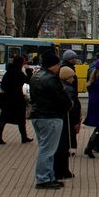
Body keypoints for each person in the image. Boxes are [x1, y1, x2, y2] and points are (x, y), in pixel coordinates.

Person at [28, 53, 72, 189]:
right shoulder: (51, 79)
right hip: (50, 116)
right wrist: (68, 104)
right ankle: (43, 179)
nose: (59, 68)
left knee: (45, 147)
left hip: (37, 115)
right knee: (48, 149)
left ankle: (49, 176)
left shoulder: (35, 76)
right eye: (57, 65)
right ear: (52, 65)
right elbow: (61, 98)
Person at [54, 67, 82, 181]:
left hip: (63, 120)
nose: (73, 80)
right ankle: (62, 171)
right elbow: (72, 107)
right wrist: (76, 122)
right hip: (67, 121)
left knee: (62, 146)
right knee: (63, 146)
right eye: (72, 77)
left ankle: (62, 171)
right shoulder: (68, 89)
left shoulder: (60, 86)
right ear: (67, 78)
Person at [0, 56, 34, 144]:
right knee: (21, 118)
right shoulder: (19, 73)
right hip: (18, 99)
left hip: (7, 99)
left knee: (3, 118)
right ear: (21, 64)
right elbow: (29, 81)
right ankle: (24, 137)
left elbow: (2, 86)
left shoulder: (8, 73)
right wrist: (28, 71)